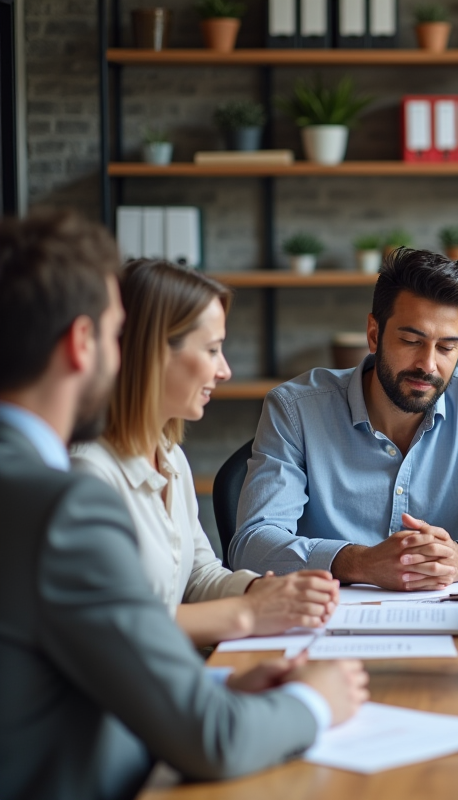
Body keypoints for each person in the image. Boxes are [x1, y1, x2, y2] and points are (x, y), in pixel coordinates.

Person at [0, 211, 368, 800]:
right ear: (82, 343)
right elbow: (211, 739)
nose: (119, 356)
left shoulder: (153, 458)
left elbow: (83, 669)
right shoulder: (66, 500)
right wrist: (314, 700)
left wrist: (223, 683)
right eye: (113, 335)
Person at [230, 248, 458, 589]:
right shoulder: (295, 408)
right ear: (374, 334)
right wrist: (359, 563)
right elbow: (252, 545)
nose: (428, 365)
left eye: (446, 348)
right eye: (411, 341)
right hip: (325, 612)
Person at [71, 260, 339, 648]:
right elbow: (115, 624)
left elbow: (198, 576)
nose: (225, 370)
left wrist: (263, 591)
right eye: (212, 350)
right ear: (152, 353)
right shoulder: (87, 474)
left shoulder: (170, 458)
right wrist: (250, 612)